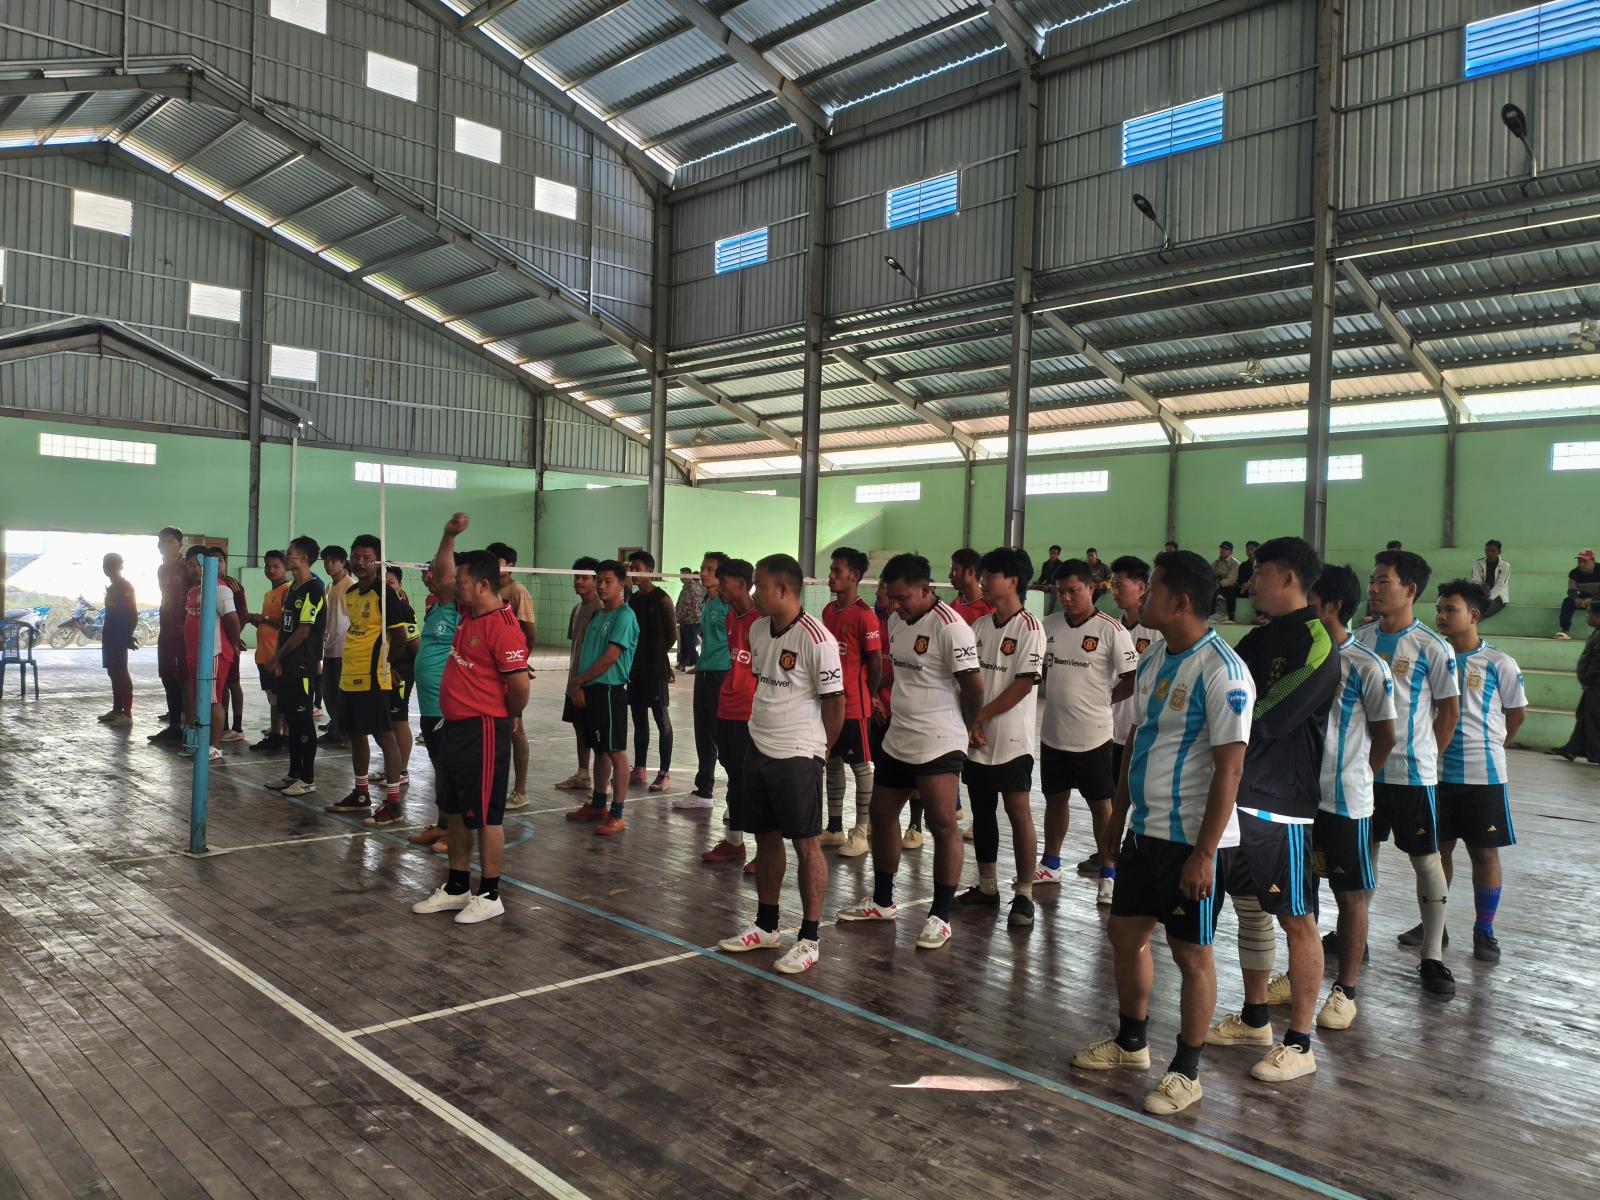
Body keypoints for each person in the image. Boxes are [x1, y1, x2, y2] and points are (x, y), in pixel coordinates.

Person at [1069, 550, 1253, 1117]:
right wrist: (1117, 816)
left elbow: (1230, 770)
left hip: (1191, 842)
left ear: (1181, 602)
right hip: (1144, 833)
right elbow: (1136, 742)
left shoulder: (1223, 671)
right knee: (1125, 935)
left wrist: (1204, 854)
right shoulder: (1152, 658)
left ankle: (1188, 1071)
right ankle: (1131, 1043)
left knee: (1191, 953)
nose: (1142, 596)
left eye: (1151, 588)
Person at [1208, 537, 1340, 1085]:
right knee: (1249, 909)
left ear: (1287, 578)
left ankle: (1300, 1041)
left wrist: (1220, 728)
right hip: (1237, 794)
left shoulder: (1317, 642)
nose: (1250, 583)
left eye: (1259, 573)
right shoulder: (1256, 638)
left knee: (1296, 918)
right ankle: (1256, 1018)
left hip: (1280, 803)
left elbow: (1267, 716)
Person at [1265, 564, 1394, 1032]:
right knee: (1301, 895)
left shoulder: (1366, 666)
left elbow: (1385, 735)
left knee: (1350, 896)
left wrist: (1359, 777)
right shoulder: (1301, 655)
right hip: (1297, 798)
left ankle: (1346, 990)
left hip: (1344, 802)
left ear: (1334, 606)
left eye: (1312, 603)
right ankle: (1298, 975)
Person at [837, 554, 982, 952]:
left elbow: (974, 688)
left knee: (942, 823)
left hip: (938, 740)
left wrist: (964, 729)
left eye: (902, 598)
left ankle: (940, 916)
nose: (895, 605)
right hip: (899, 736)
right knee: (882, 814)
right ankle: (883, 901)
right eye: (891, 597)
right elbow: (898, 670)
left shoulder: (952, 628)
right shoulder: (897, 621)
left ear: (926, 589)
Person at [717, 554, 844, 975]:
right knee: (766, 838)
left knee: (806, 844)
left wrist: (820, 753)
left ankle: (809, 938)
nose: (754, 592)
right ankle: (767, 926)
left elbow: (835, 703)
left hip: (798, 755)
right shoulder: (757, 628)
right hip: (758, 747)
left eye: (760, 584)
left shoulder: (817, 639)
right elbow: (766, 685)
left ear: (784, 589)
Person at [1355, 549, 1460, 996]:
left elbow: (1449, 711)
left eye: (1384, 581)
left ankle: (1432, 955)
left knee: (1425, 859)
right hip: (1362, 772)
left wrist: (1426, 757)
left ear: (1411, 590)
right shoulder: (1360, 639)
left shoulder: (1433, 646)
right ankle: (1354, 937)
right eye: (1373, 581)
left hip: (1411, 775)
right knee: (1364, 854)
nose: (1374, 588)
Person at [409, 549, 531, 926]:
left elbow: (520, 686)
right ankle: (457, 886)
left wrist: (509, 715)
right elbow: (445, 576)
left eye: (462, 582)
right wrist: (450, 536)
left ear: (482, 585)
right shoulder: (466, 613)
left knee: (486, 815)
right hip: (454, 727)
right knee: (457, 811)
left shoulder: (503, 626)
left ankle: (490, 894)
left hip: (485, 729)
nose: (455, 586)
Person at [1432, 579, 1527, 965]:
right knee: (1437, 852)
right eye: (1438, 609)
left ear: (1473, 615)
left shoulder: (1500, 663)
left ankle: (1484, 929)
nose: (1440, 616)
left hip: (1483, 776)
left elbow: (1516, 715)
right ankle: (1434, 924)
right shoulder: (1432, 657)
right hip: (1435, 773)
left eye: (1449, 609)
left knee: (1484, 852)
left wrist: (1492, 748)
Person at [1035, 558, 1135, 903]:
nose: (1065, 598)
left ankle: (1109, 871)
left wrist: (1106, 699)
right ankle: (1051, 863)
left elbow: (1132, 676)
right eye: (1060, 591)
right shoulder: (1048, 625)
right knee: (1055, 799)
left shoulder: (1111, 630)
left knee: (1100, 806)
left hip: (1093, 736)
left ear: (1091, 588)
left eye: (1073, 591)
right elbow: (1040, 670)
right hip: (1053, 734)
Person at [955, 547, 1045, 927]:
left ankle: (1024, 894)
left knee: (1018, 813)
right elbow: (966, 683)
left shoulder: (1030, 629)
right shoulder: (978, 627)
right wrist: (969, 723)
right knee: (982, 812)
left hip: (1011, 742)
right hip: (977, 740)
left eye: (991, 575)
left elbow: (1023, 685)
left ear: (1013, 581)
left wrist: (980, 717)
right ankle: (987, 886)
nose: (983, 582)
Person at [326, 534, 414, 827]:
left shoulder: (384, 593)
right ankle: (361, 793)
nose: (360, 562)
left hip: (373, 676)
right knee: (355, 733)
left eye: (367, 558)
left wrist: (387, 665)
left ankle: (393, 803)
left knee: (384, 735)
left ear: (378, 562)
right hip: (349, 673)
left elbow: (399, 637)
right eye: (356, 557)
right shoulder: (351, 593)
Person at [405, 518, 468, 850]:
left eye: (432, 569)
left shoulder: (456, 604)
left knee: (450, 769)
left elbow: (445, 577)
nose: (428, 575)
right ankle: (443, 824)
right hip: (430, 706)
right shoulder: (435, 607)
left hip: (447, 705)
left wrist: (448, 536)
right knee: (439, 768)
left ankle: (453, 832)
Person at [565, 560, 640, 836]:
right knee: (600, 749)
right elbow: (586, 654)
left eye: (608, 581)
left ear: (621, 585)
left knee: (616, 751)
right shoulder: (597, 615)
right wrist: (579, 685)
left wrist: (578, 681)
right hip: (590, 690)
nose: (601, 585)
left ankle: (617, 813)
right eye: (599, 580)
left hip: (610, 691)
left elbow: (610, 657)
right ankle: (598, 804)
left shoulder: (625, 616)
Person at [821, 547, 881, 855]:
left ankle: (861, 831)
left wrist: (868, 696)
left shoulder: (865, 615)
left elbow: (876, 662)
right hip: (830, 706)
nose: (831, 576)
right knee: (831, 763)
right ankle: (834, 827)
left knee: (860, 767)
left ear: (854, 576)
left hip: (855, 707)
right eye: (831, 570)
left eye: (837, 571)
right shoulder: (829, 612)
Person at [703, 559, 759, 866]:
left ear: (741, 584)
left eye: (722, 582)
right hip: (727, 707)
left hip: (750, 712)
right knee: (735, 776)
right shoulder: (730, 617)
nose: (718, 587)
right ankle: (735, 842)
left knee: (753, 779)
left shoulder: (761, 621)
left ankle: (766, 850)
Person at [264, 536, 325, 798]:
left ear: (303, 558)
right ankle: (293, 773)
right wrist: (278, 656)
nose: (287, 557)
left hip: (302, 663)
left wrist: (278, 656)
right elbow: (286, 627)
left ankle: (308, 778)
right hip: (287, 663)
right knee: (290, 718)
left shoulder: (314, 588)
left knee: (303, 722)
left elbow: (303, 631)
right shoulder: (292, 589)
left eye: (290, 553)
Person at [676, 551, 730, 812]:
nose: (704, 573)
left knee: (724, 736)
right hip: (704, 672)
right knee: (703, 734)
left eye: (710, 569)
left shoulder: (729, 605)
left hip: (723, 674)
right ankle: (704, 791)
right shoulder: (706, 602)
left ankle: (736, 795)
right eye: (702, 568)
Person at [485, 542, 536, 810]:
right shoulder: (488, 589)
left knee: (516, 729)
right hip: (489, 675)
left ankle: (520, 790)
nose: (494, 566)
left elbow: (529, 630)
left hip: (509, 672)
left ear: (511, 565)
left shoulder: (516, 591)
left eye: (499, 561)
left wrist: (520, 663)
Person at [182, 546, 241, 766]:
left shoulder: (220, 590)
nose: (194, 569)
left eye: (198, 564)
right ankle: (201, 742)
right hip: (194, 654)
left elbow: (232, 620)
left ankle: (214, 747)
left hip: (214, 653)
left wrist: (233, 644)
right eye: (190, 565)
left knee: (213, 699)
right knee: (200, 699)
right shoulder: (193, 590)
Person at [626, 549, 677, 791]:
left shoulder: (663, 599)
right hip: (634, 670)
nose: (632, 572)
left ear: (649, 571)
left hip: (655, 670)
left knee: (661, 720)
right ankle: (640, 769)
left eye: (636, 568)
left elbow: (671, 636)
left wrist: (656, 657)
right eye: (630, 568)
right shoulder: (633, 600)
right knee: (639, 721)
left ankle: (664, 773)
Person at [1108, 555, 1161, 788]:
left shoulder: (1158, 633)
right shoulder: (1109, 629)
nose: (1114, 592)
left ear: (1141, 588)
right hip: (1108, 731)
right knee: (1109, 795)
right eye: (1112, 585)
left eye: (1119, 586)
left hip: (1143, 732)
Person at [556, 558, 603, 794]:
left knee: (597, 733)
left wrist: (583, 682)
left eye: (585, 577)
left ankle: (603, 783)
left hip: (590, 683)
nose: (579, 581)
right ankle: (583, 774)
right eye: (576, 577)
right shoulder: (576, 610)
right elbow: (576, 646)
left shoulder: (602, 610)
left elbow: (601, 653)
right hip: (574, 681)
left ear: (596, 580)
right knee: (579, 727)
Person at [245, 551, 290, 752]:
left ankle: (286, 737)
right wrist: (258, 621)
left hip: (276, 655)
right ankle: (276, 735)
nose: (271, 570)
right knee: (273, 698)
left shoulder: (287, 591)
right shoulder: (269, 593)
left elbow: (286, 624)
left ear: (286, 567)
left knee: (282, 698)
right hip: (264, 654)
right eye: (267, 566)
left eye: (276, 566)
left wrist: (263, 618)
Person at [149, 526, 188, 744]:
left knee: (183, 677)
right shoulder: (161, 569)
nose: (165, 545)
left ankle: (186, 724)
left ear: (180, 544)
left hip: (184, 631)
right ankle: (174, 724)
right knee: (167, 675)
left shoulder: (187, 568)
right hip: (167, 629)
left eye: (170, 541)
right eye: (162, 541)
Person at [1552, 598, 1600, 762]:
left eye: (1589, 614)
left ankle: (1596, 753)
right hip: (1591, 684)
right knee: (1584, 716)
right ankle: (1572, 749)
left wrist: (1589, 678)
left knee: (1594, 719)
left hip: (1596, 684)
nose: (1587, 617)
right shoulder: (1597, 632)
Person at [318, 545, 353, 747]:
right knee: (328, 692)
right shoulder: (329, 587)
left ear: (343, 563)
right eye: (326, 561)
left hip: (344, 649)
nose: (329, 564)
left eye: (333, 561)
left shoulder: (351, 586)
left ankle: (346, 733)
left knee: (342, 694)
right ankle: (336, 729)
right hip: (330, 647)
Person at [97, 553, 137, 728]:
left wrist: (128, 635)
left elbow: (133, 614)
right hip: (109, 635)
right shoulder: (112, 587)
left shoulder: (125, 587)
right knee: (112, 671)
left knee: (121, 672)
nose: (107, 569)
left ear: (120, 566)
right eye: (106, 565)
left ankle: (127, 713)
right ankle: (116, 710)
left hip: (120, 635)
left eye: (112, 565)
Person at [215, 550, 249, 742]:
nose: (217, 564)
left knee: (232, 682)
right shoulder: (202, 584)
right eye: (213, 561)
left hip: (229, 642)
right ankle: (223, 725)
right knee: (219, 684)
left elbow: (242, 615)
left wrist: (234, 639)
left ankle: (237, 726)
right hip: (212, 644)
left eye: (220, 560)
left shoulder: (233, 585)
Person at [1556, 548, 1600, 639]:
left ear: (1593, 561)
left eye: (1585, 562)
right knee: (1567, 602)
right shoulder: (1574, 573)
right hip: (1582, 599)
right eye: (1579, 562)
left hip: (1597, 599)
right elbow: (1571, 590)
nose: (1581, 564)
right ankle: (1565, 631)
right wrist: (1576, 599)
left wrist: (1590, 600)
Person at [948, 548, 994, 625]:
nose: (950, 576)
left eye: (955, 570)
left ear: (970, 571)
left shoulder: (989, 608)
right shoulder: (954, 604)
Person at [1470, 541, 1511, 622]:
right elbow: (1476, 582)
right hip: (1481, 595)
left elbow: (1499, 585)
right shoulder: (1478, 563)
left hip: (1498, 597)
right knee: (1467, 608)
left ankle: (1468, 626)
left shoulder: (1505, 566)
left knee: (1481, 612)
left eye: (1493, 551)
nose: (1489, 553)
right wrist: (1480, 596)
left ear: (1499, 552)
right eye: (1487, 550)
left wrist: (1487, 599)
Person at [675, 567, 704, 671]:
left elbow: (687, 606)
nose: (681, 578)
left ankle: (697, 664)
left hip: (691, 620)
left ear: (689, 575)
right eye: (681, 575)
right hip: (687, 619)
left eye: (684, 575)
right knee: (685, 643)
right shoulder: (687, 587)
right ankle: (683, 663)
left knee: (691, 644)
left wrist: (677, 617)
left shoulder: (692, 588)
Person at [1212, 542, 1241, 623]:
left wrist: (1218, 584)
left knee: (1230, 590)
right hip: (1217, 585)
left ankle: (1231, 618)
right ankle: (1211, 616)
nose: (1223, 550)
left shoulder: (1235, 563)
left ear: (1231, 552)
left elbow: (1231, 579)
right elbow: (1210, 574)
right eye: (1222, 548)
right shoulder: (1216, 563)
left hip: (1228, 586)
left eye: (1226, 549)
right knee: (1209, 589)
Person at [1036, 545, 1065, 616]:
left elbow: (1060, 578)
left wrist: (1049, 585)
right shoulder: (1045, 564)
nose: (1053, 555)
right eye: (1051, 553)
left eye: (1055, 554)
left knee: (1054, 589)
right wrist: (1038, 582)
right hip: (1046, 585)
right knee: (1029, 587)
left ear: (1058, 555)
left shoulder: (1061, 564)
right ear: (1049, 553)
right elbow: (1043, 576)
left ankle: (1050, 612)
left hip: (1055, 585)